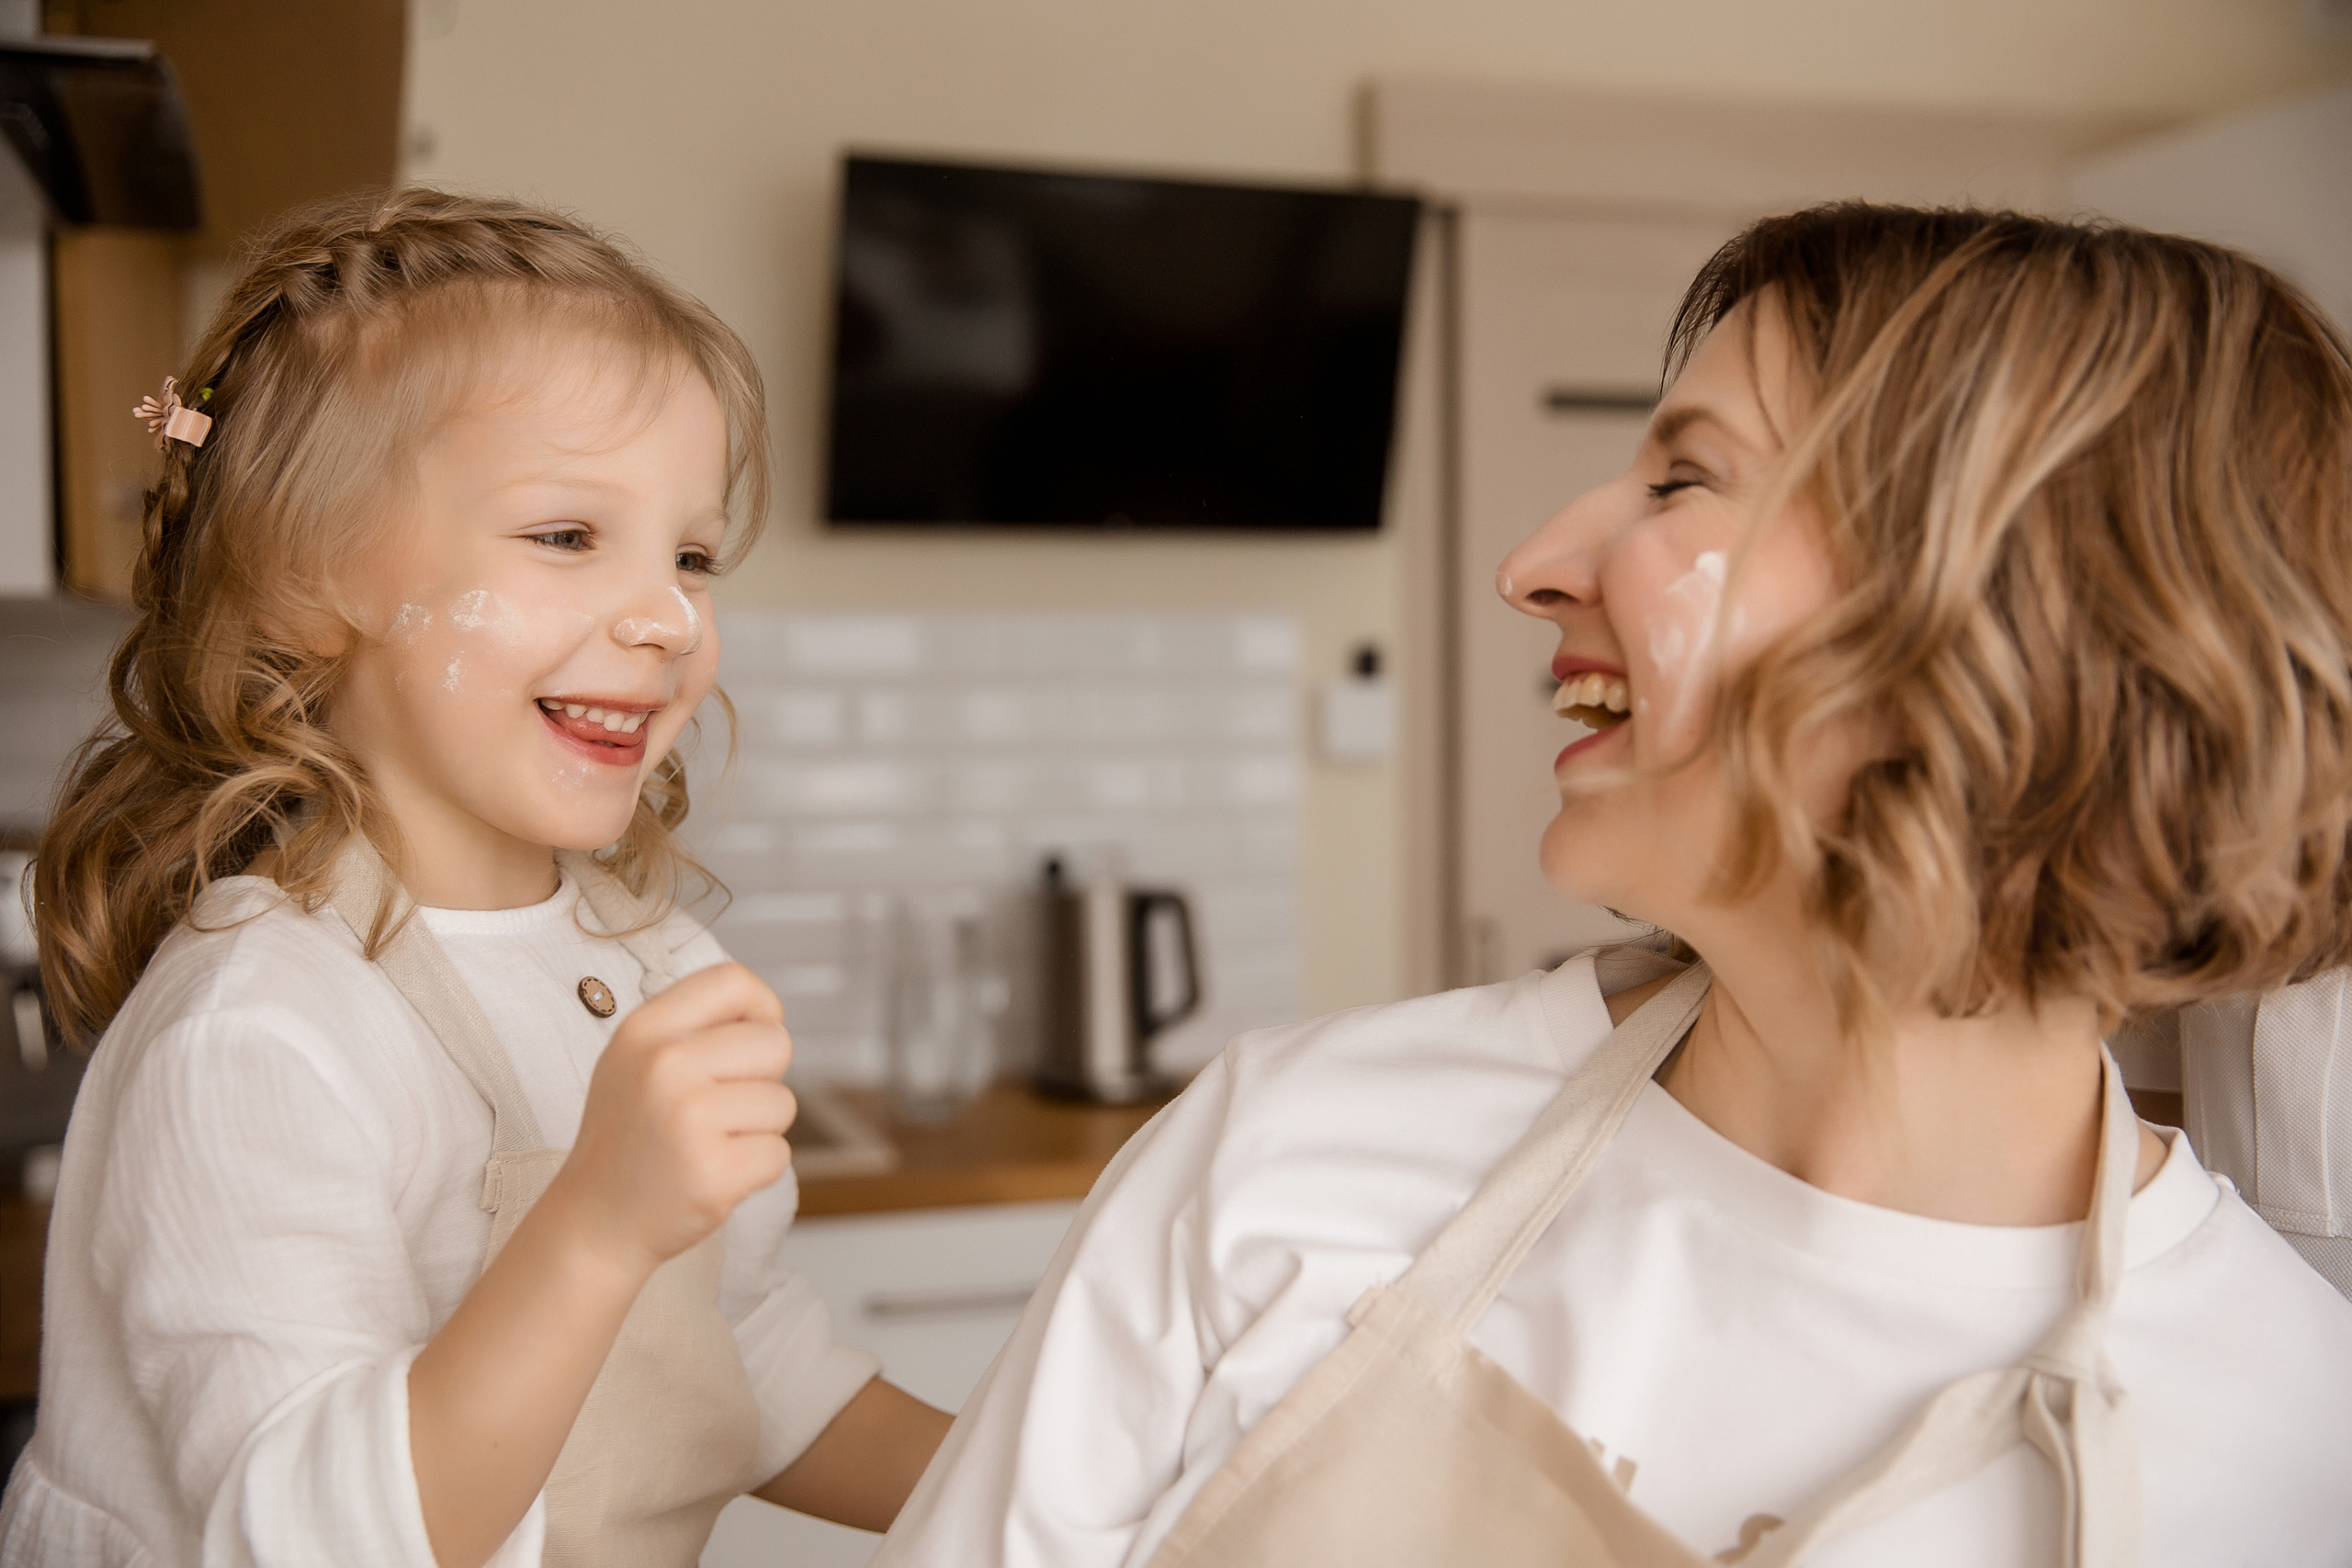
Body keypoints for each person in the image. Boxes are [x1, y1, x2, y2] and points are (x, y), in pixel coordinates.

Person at [876, 205, 2352, 1566]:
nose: (1533, 566)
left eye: (1686, 478)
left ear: (2020, 625)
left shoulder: (2294, 1446)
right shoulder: (1288, 1160)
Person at [3, 189, 950, 1568]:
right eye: (567, 537)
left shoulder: (656, 963)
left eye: (691, 555)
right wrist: (597, 1224)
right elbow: (311, 1540)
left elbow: (738, 1360)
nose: (667, 616)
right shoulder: (261, 1030)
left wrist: (1081, 1494)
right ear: (303, 579)